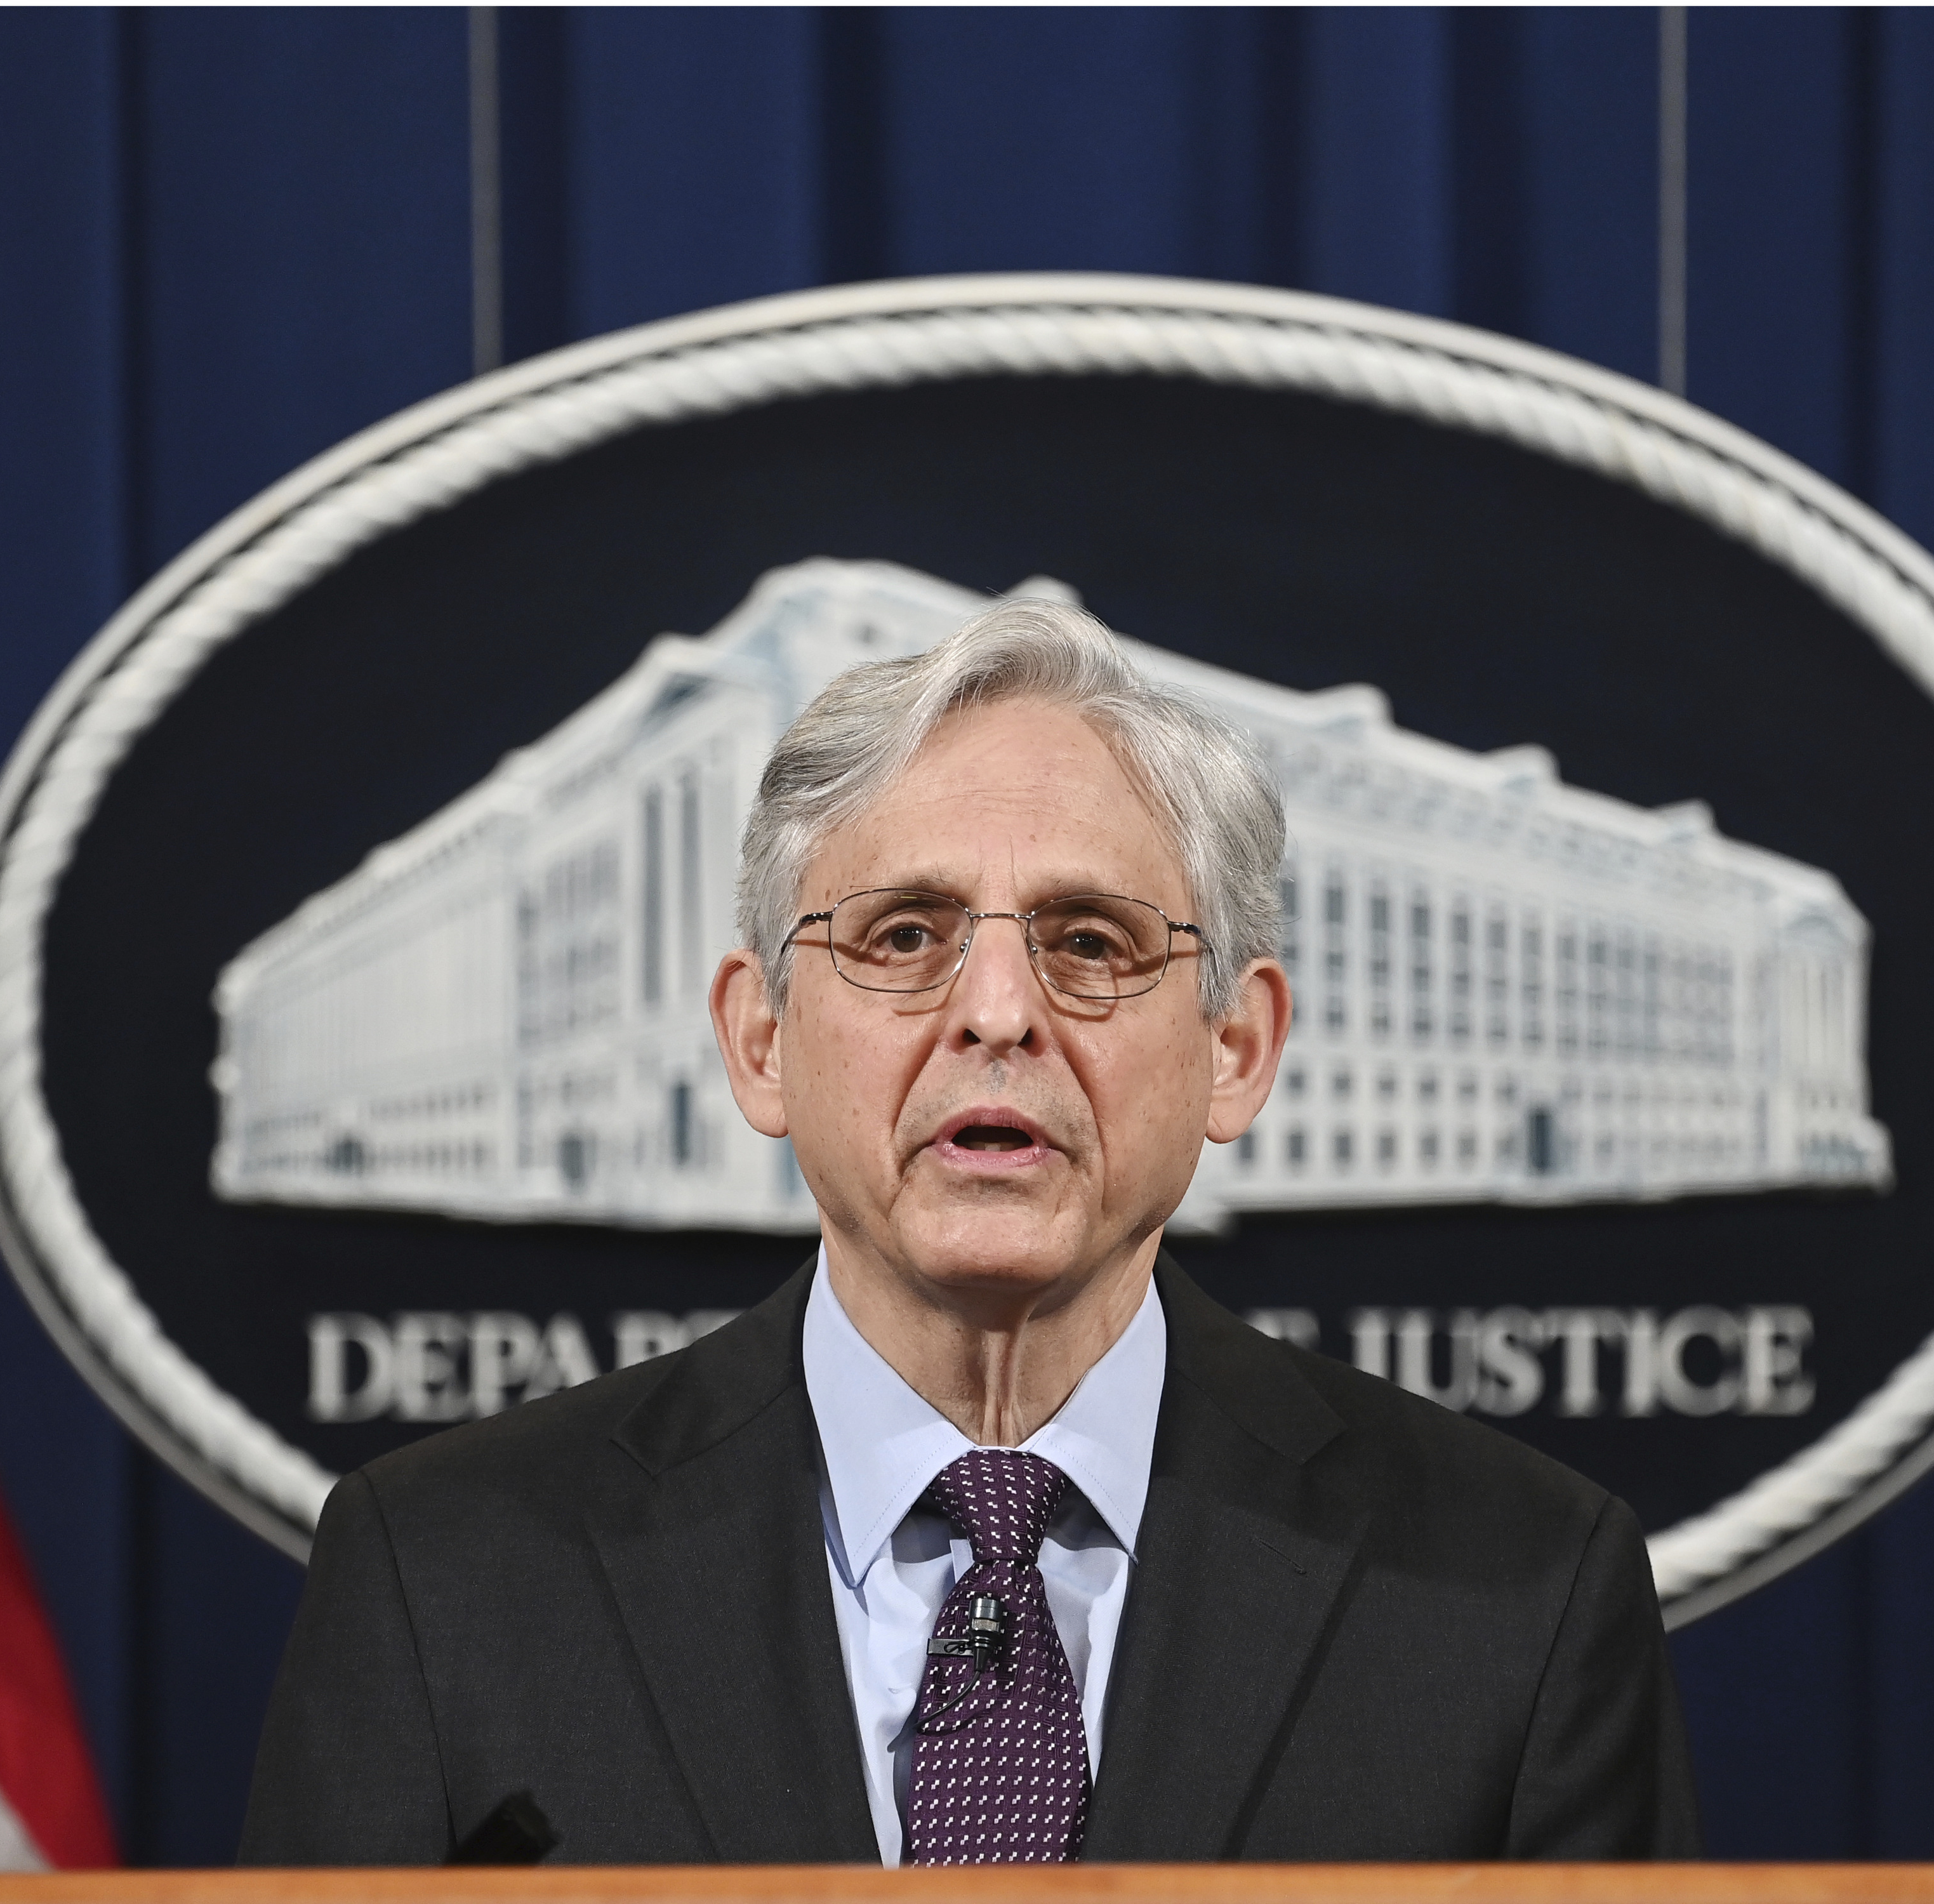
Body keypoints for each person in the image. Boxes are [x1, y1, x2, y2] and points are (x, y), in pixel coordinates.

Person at [240, 597, 1699, 1865]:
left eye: (1089, 943)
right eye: (901, 937)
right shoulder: (445, 1581)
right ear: (761, 1041)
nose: (998, 1014)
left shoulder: (1523, 1590)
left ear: (1237, 1050)